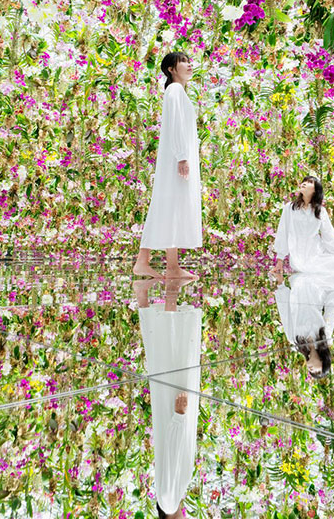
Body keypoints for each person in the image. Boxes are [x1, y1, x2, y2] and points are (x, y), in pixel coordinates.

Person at [269, 176, 334, 379]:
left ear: (316, 190)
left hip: (318, 256)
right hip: (301, 260)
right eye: (317, 370)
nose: (303, 183)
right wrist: (279, 261)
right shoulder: (289, 209)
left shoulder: (296, 343)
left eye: (309, 182)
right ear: (323, 362)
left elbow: (330, 237)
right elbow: (283, 233)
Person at [133, 276, 201, 519]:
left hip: (176, 413)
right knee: (163, 357)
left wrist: (179, 416)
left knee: (173, 355)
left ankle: (170, 289)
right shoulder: (170, 499)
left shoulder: (170, 502)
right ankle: (144, 295)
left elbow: (172, 455)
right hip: (173, 415)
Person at [132, 52, 202, 283]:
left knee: (171, 207)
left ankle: (170, 266)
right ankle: (147, 260)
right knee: (169, 205)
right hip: (176, 160)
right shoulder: (174, 91)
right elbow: (176, 125)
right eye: (183, 61)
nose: (189, 64)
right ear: (171, 69)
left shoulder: (178, 92)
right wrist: (182, 156)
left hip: (177, 158)